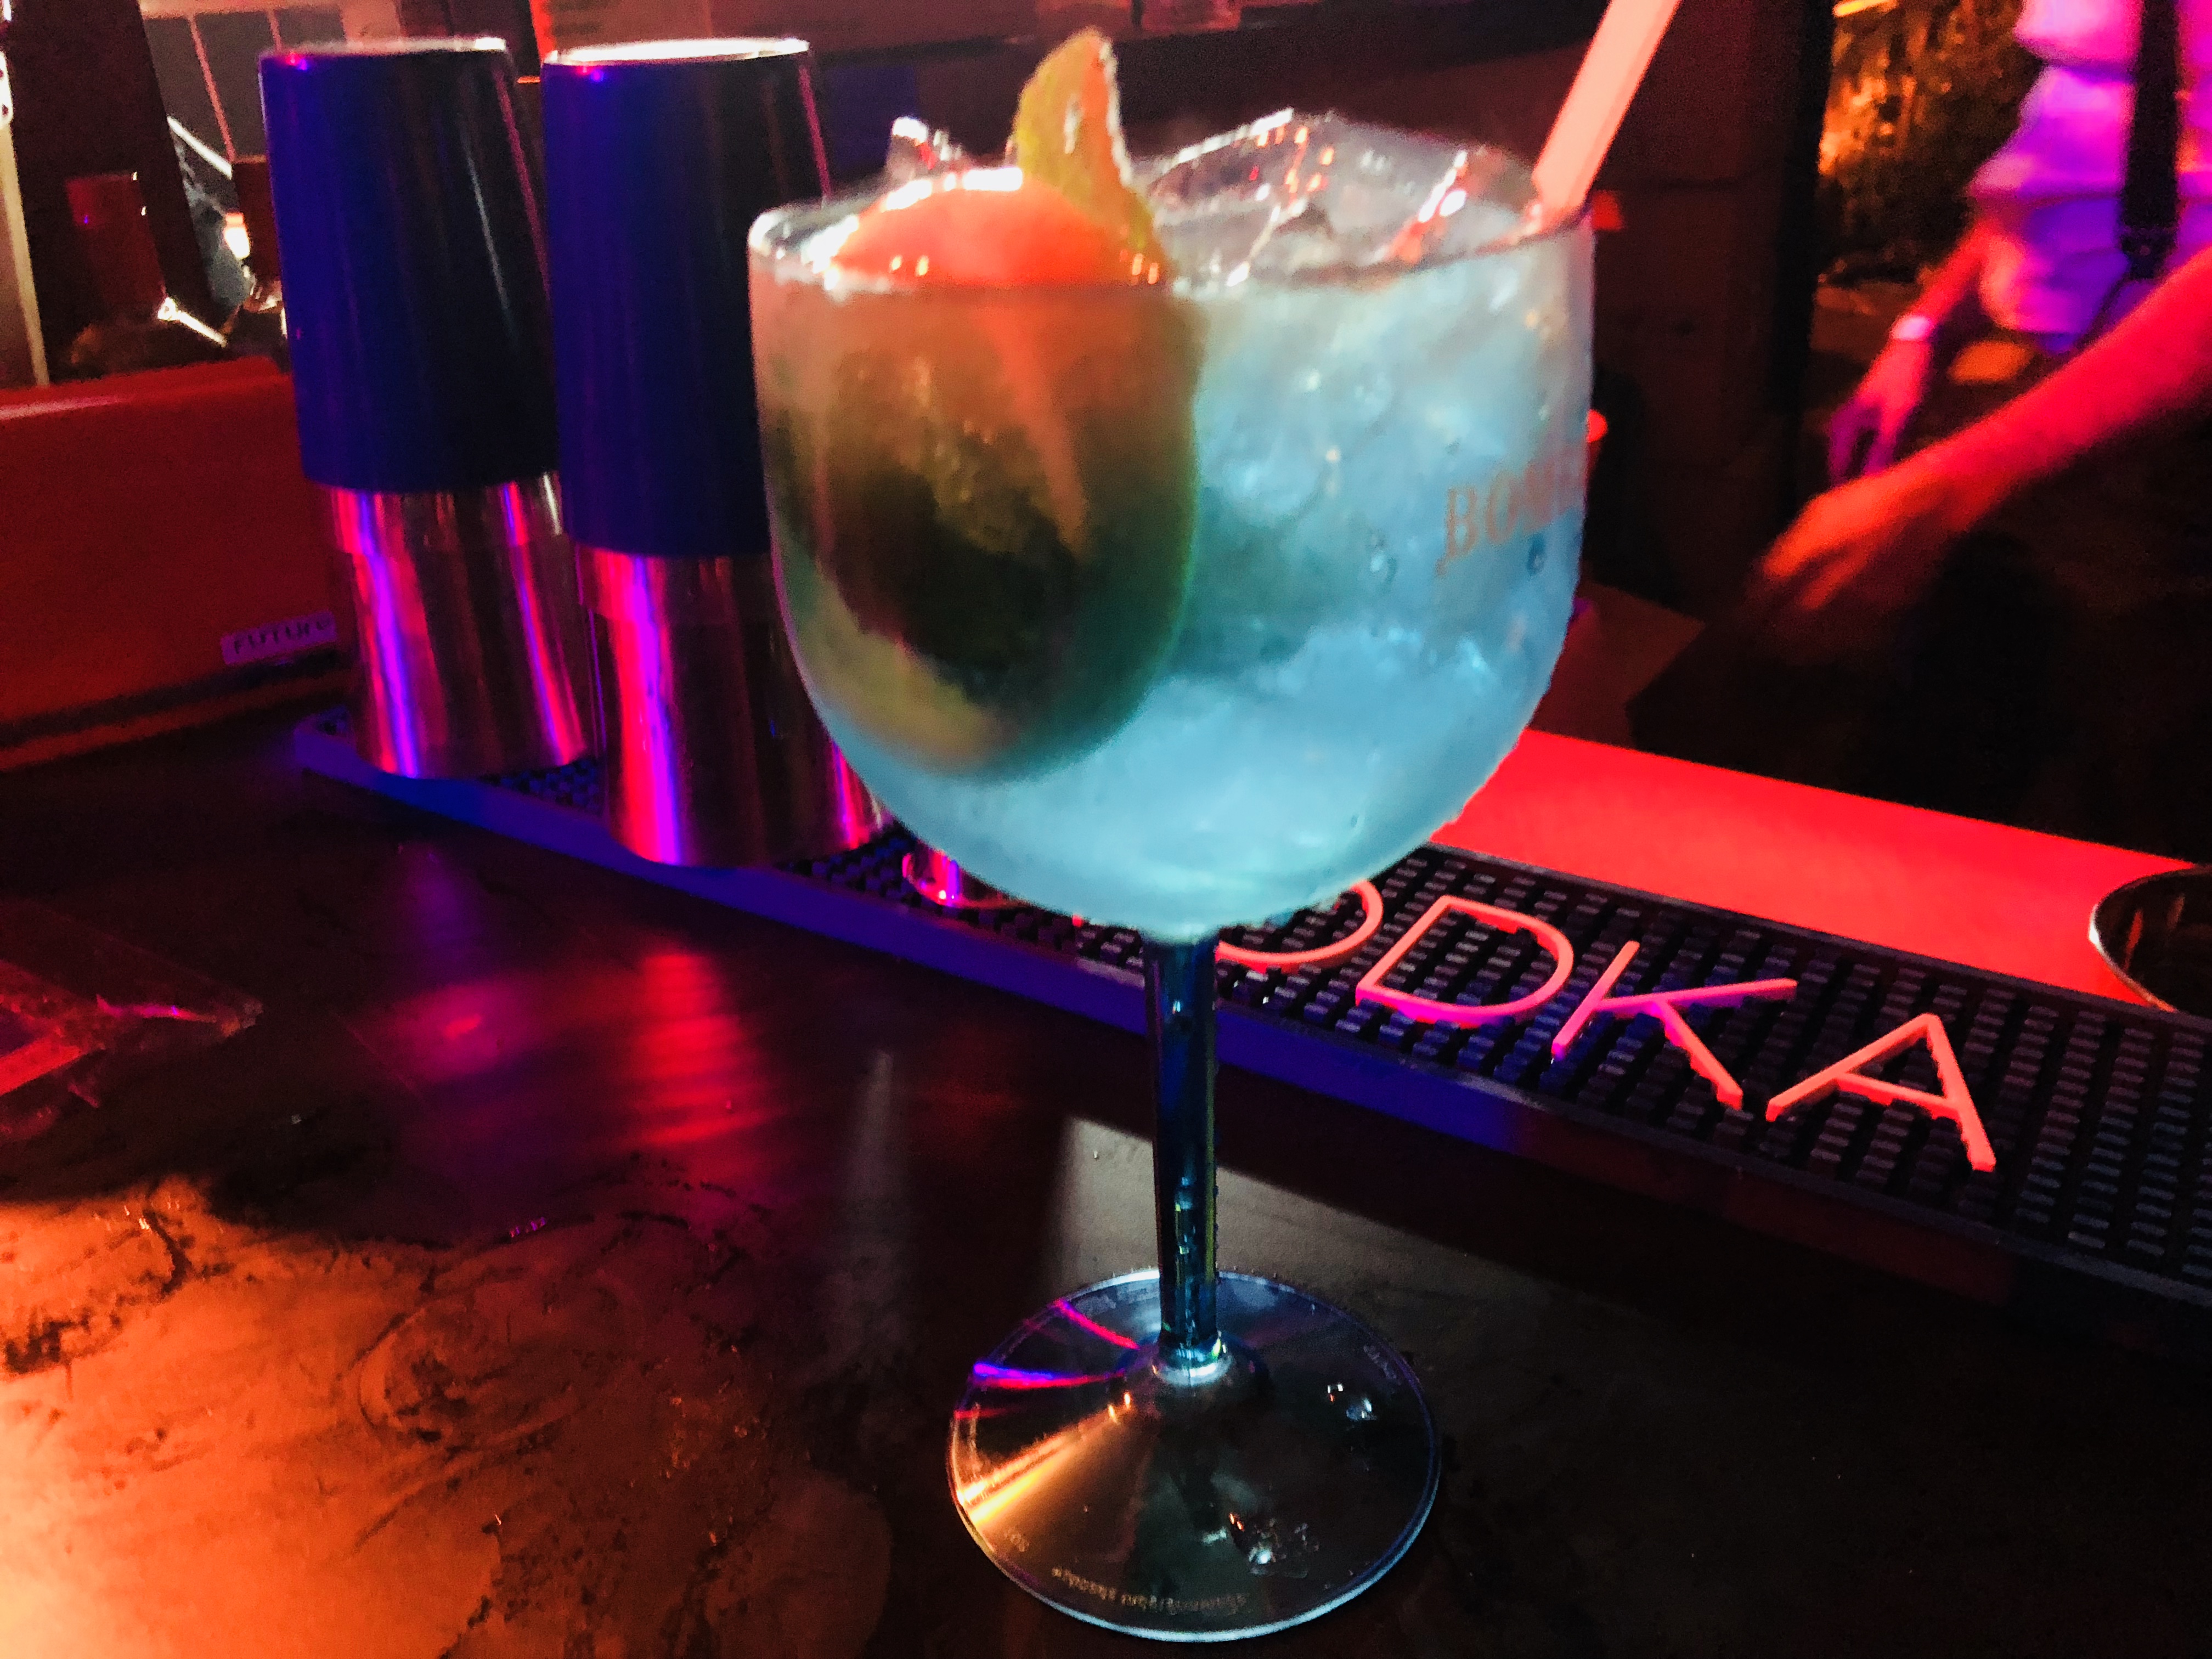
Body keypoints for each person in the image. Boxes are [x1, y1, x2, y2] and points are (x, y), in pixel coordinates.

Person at [1730, 0, 2212, 856]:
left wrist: (1958, 480)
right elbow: (2068, 140)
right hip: (2052, 383)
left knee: (2094, 826)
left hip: (2169, 444)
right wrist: (1927, 329)